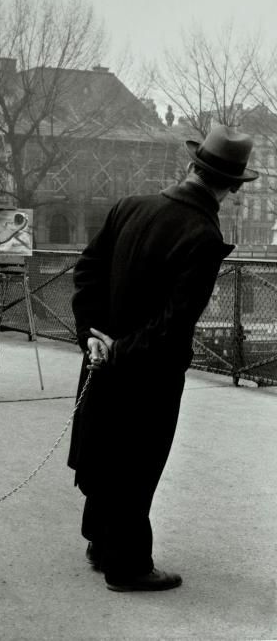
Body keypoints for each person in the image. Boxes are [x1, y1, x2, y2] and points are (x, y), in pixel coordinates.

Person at [68, 124, 258, 592]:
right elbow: (174, 321)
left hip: (100, 358)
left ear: (192, 166)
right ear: (232, 187)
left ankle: (101, 543)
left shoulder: (130, 205)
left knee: (104, 448)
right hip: (148, 371)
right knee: (138, 464)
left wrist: (92, 337)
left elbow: (87, 271)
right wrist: (121, 350)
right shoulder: (203, 234)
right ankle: (127, 565)